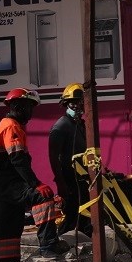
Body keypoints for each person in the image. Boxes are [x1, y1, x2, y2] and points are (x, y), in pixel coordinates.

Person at [0, 88, 52, 262]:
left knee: (10, 224)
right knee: (42, 197)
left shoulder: (8, 124)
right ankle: (48, 246)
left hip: (4, 183)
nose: (31, 112)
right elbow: (18, 160)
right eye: (28, 107)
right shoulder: (11, 126)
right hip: (9, 182)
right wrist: (36, 184)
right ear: (17, 106)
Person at [48, 83, 90, 243]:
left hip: (82, 177)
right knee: (72, 212)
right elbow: (53, 156)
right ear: (66, 104)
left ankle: (83, 244)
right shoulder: (61, 126)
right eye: (73, 102)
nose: (78, 106)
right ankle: (60, 242)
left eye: (80, 102)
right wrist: (60, 181)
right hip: (69, 177)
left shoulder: (79, 125)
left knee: (85, 213)